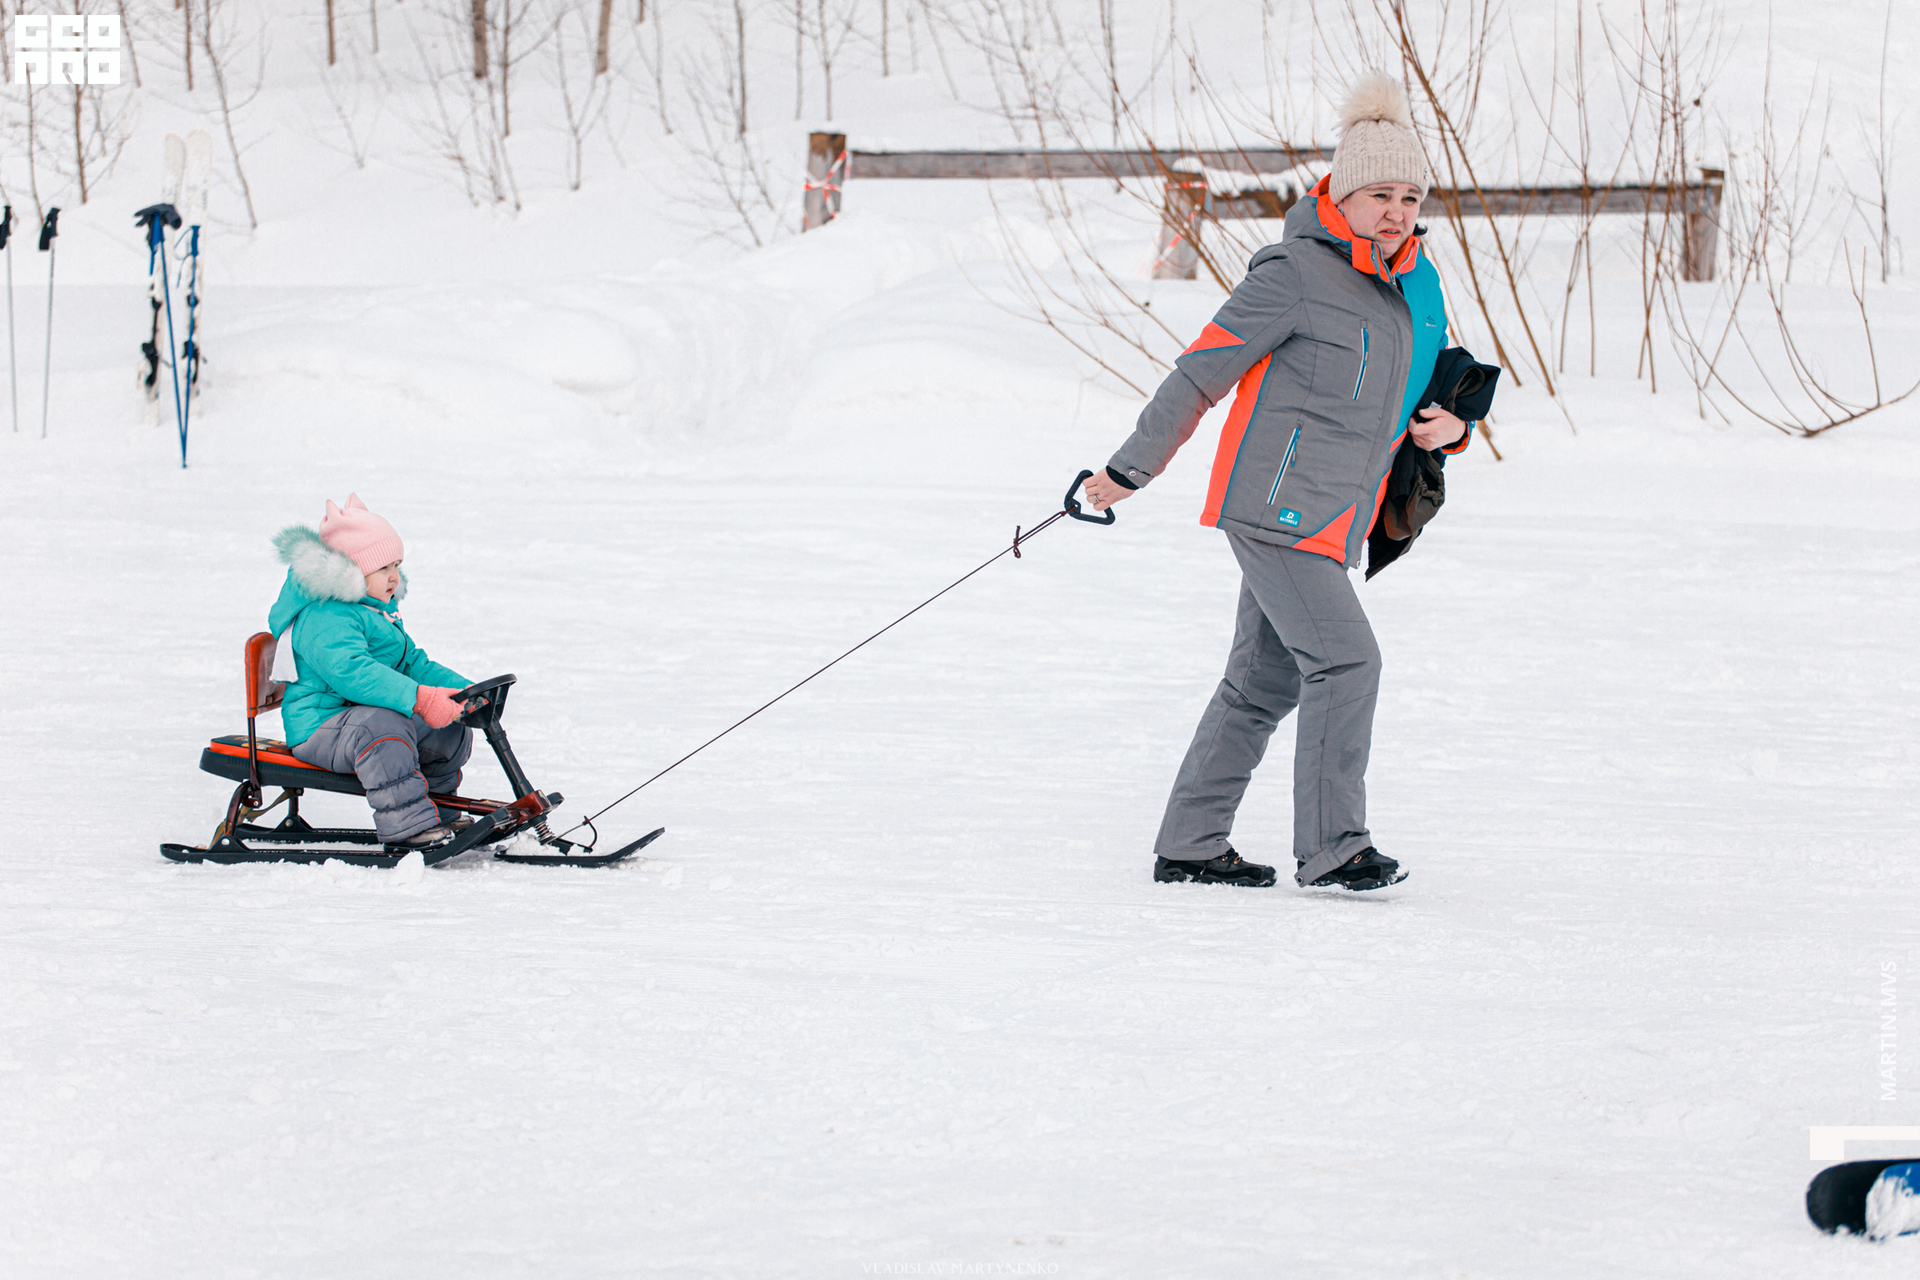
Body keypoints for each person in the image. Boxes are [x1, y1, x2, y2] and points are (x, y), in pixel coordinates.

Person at [1083, 72, 1473, 893]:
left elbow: (1425, 384)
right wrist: (1129, 469)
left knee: (1264, 679)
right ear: (1339, 192)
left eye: (1410, 195)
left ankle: (1190, 842)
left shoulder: (1419, 283)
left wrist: (1456, 426)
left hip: (1339, 517)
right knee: (1347, 662)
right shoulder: (1294, 271)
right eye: (1379, 194)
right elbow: (1199, 374)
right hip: (1275, 504)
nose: (1397, 211)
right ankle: (1335, 848)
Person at [267, 494, 476, 849]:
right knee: (382, 727)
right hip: (319, 726)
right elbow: (353, 673)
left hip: (353, 721)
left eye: (397, 565)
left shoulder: (374, 612)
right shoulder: (325, 616)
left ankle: (440, 811)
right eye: (383, 569)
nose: (395, 578)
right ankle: (408, 826)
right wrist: (419, 697)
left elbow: (413, 663)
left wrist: (464, 691)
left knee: (446, 728)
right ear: (350, 573)